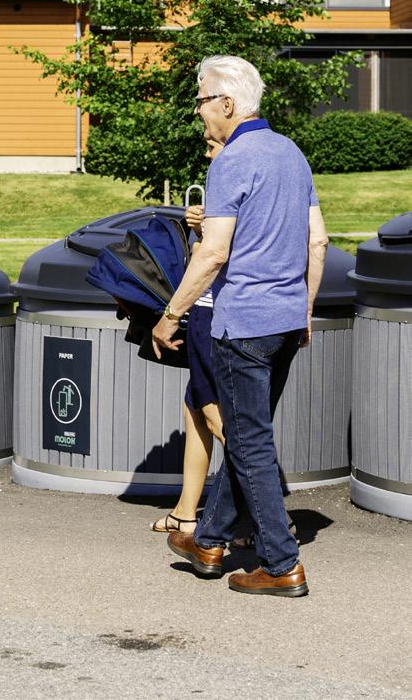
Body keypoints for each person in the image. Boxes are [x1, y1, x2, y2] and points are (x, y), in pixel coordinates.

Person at [151, 54, 328, 597]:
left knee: (249, 443)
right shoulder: (292, 154)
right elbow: (316, 241)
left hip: (244, 326)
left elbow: (212, 254)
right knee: (248, 436)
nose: (199, 112)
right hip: (284, 324)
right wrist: (305, 311)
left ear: (227, 103)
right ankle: (208, 540)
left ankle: (281, 564)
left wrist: (170, 314)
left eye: (202, 101)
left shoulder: (230, 161)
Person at [151, 138, 225, 535]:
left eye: (213, 142)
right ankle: (185, 509)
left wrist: (171, 315)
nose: (206, 149)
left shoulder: (231, 173)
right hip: (210, 311)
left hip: (212, 312)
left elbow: (216, 254)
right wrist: (198, 228)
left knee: (216, 416)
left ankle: (263, 516)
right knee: (195, 407)